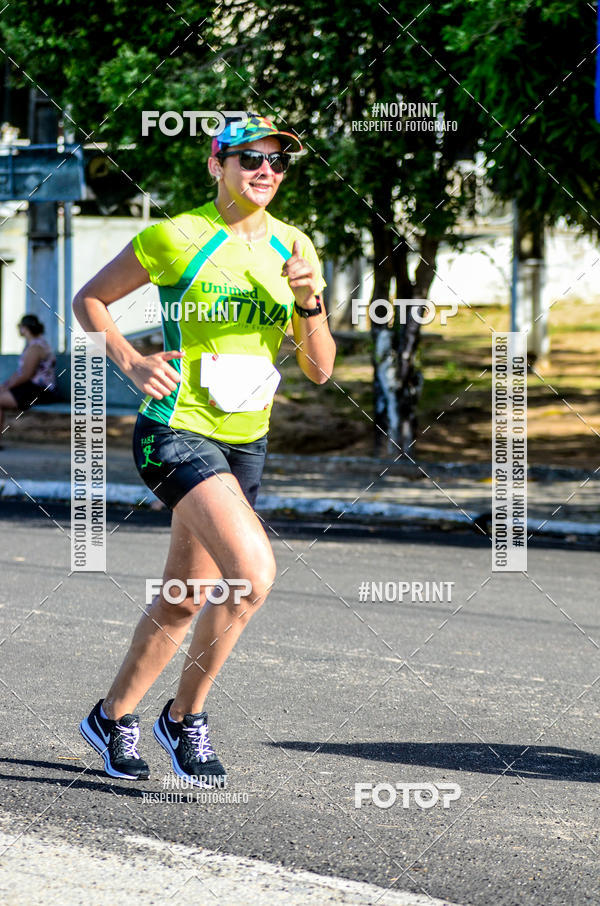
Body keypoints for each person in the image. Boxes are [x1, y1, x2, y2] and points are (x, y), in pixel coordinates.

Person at [74, 112, 336, 786]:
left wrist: (309, 302)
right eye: (250, 158)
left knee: (186, 596)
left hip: (246, 441)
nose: (266, 171)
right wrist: (131, 361)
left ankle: (111, 717)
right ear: (217, 164)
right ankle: (184, 718)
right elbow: (90, 300)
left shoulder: (295, 245)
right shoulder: (177, 235)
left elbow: (319, 369)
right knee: (250, 575)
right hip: (174, 430)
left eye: (278, 161)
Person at [0, 315, 57, 440]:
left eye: (20, 326)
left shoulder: (35, 347)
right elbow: (20, 372)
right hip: (32, 389)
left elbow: (26, 375)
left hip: (40, 391)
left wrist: (6, 387)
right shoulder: (33, 345)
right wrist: (5, 385)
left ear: (25, 328)